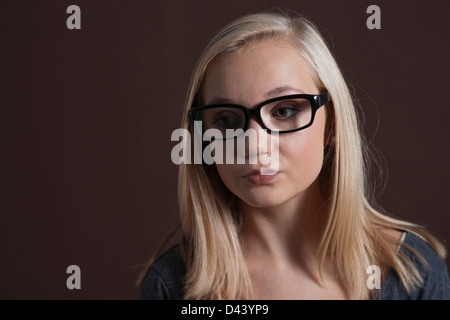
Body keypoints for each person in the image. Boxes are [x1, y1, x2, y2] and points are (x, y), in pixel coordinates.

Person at [138, 11, 450, 300]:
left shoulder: (409, 273)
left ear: (333, 125)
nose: (254, 145)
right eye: (226, 120)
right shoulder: (175, 284)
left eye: (285, 111)